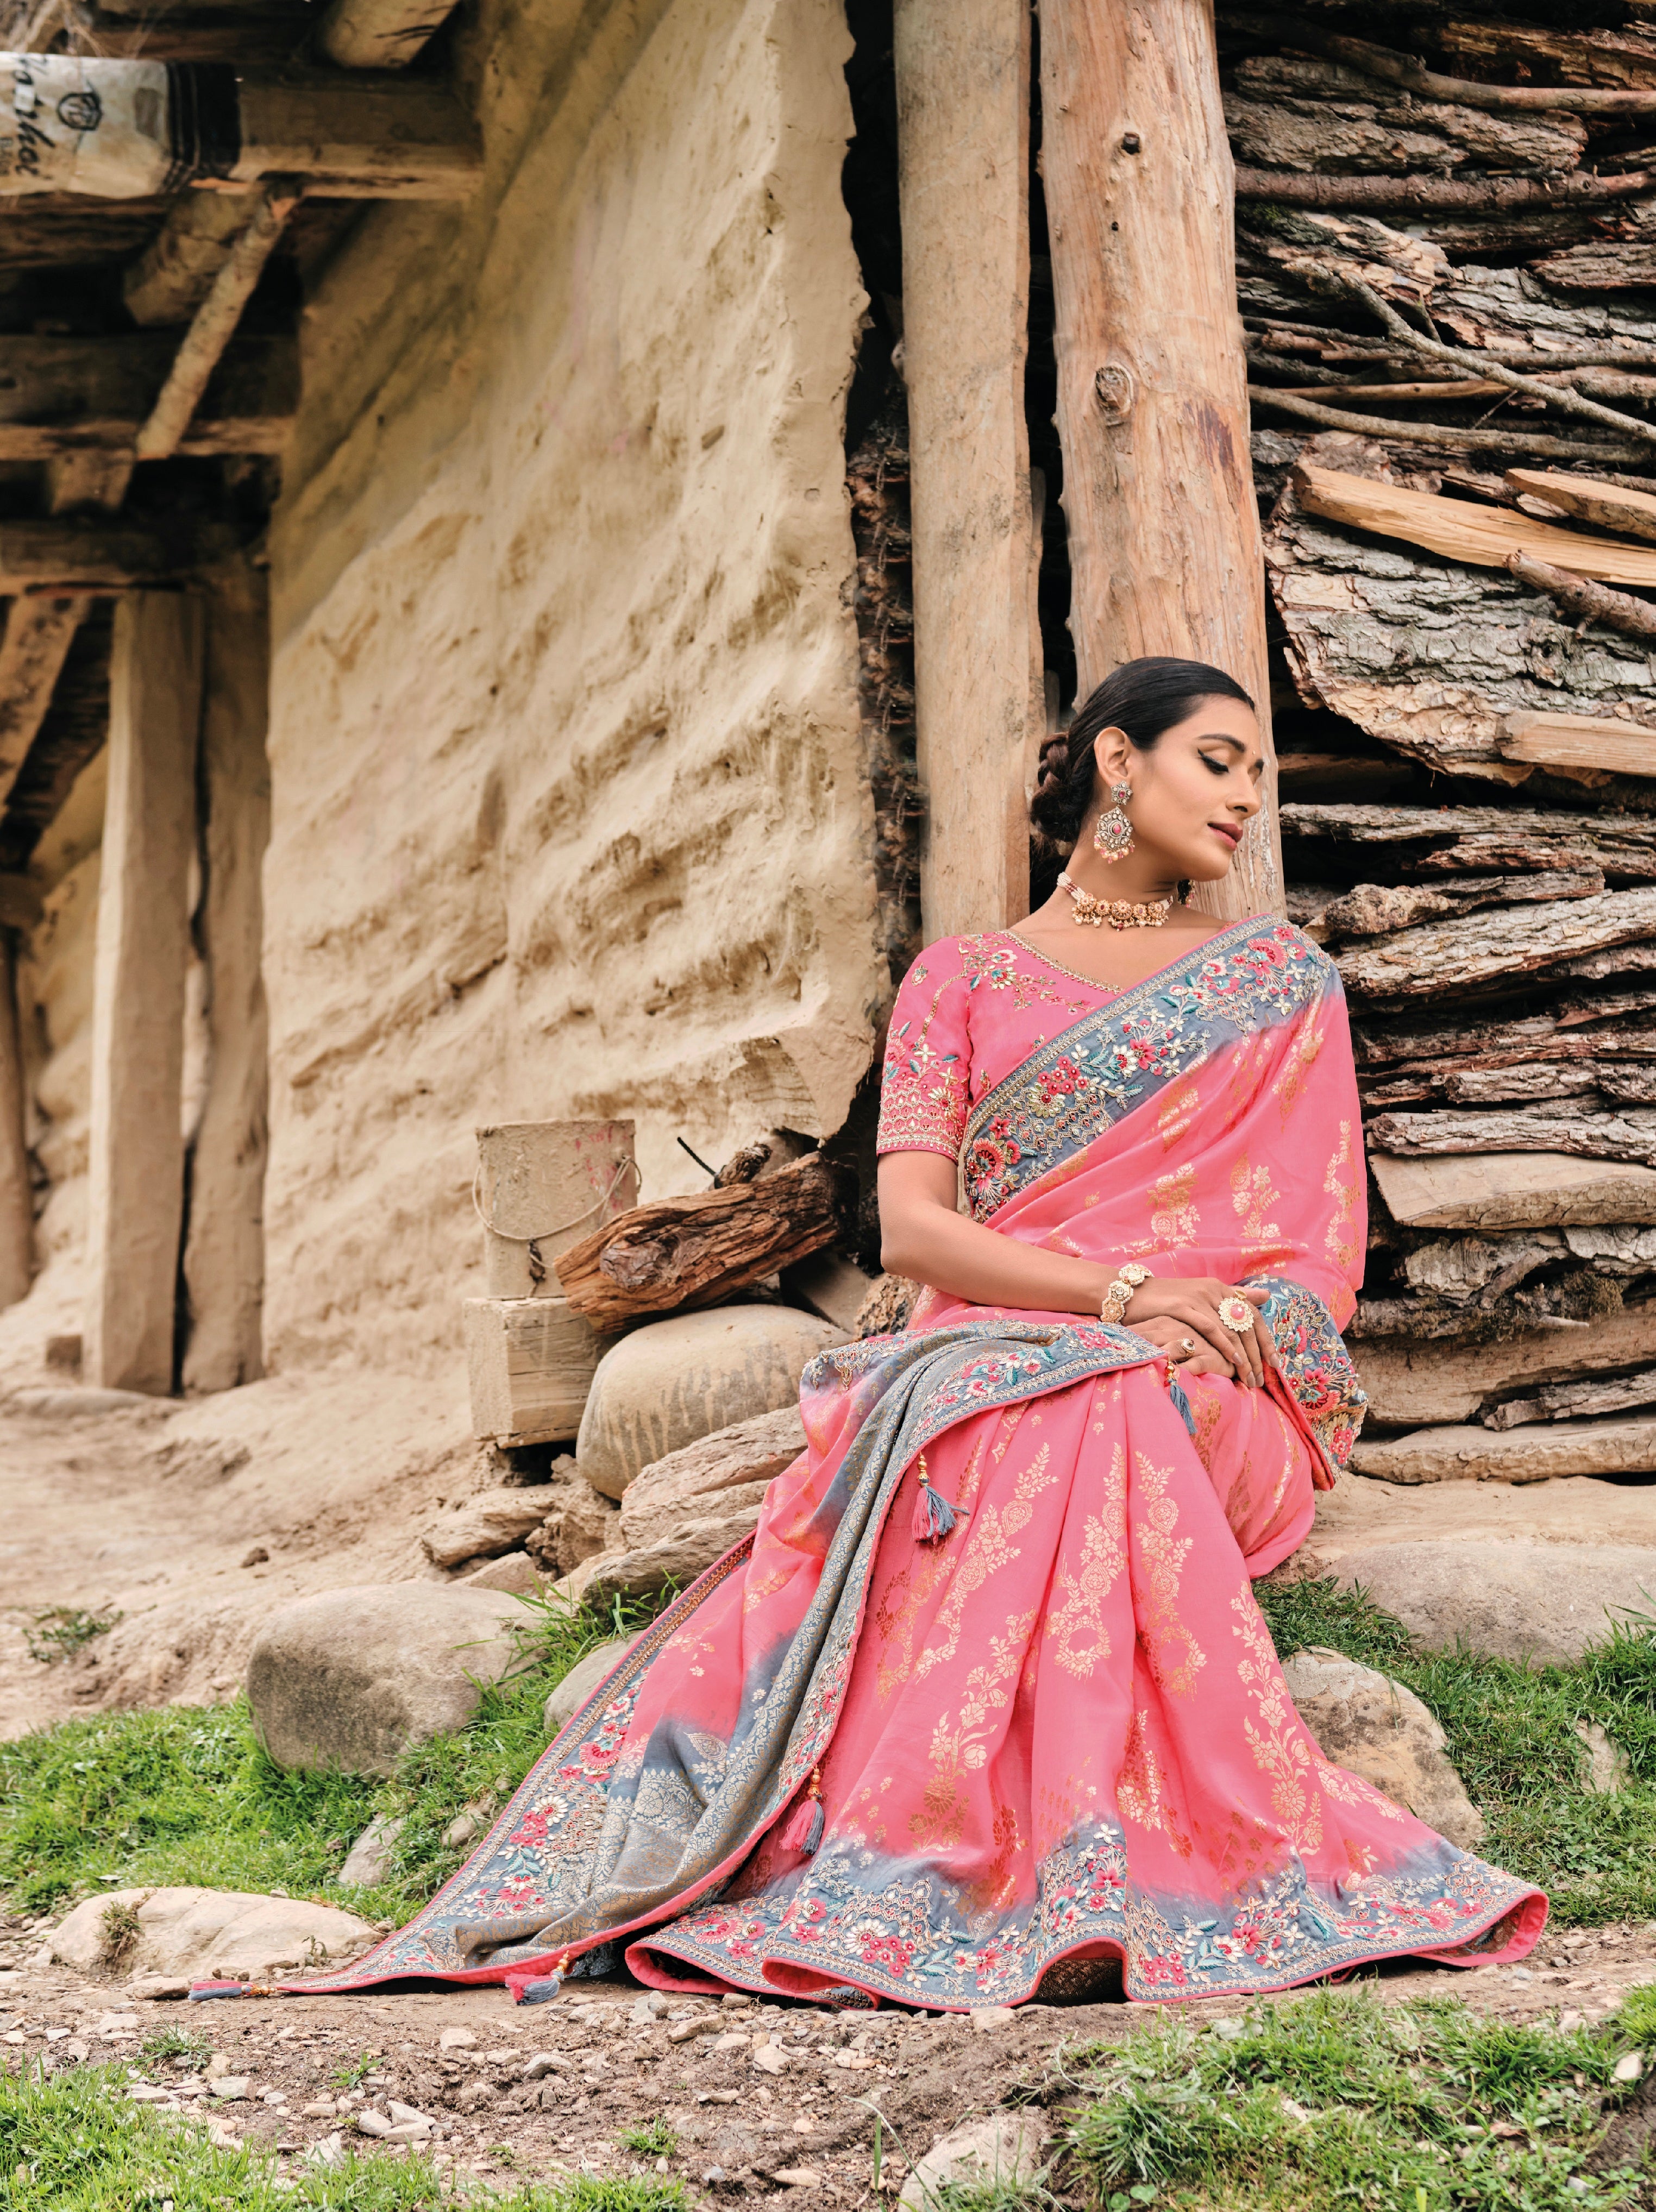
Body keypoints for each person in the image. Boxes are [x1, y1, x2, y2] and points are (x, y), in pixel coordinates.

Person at [288, 656, 1545, 2013]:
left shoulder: (1280, 984)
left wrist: (1215, 1325)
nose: (1247, 796)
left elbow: (1313, 1253)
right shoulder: (961, 979)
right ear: (1119, 763)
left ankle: (989, 1865)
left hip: (1212, 1388)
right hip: (1013, 1357)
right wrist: (1121, 1299)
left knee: (1102, 1402)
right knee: (1054, 1396)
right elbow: (915, 1233)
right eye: (1220, 759)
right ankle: (945, 1862)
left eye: (1259, 772)